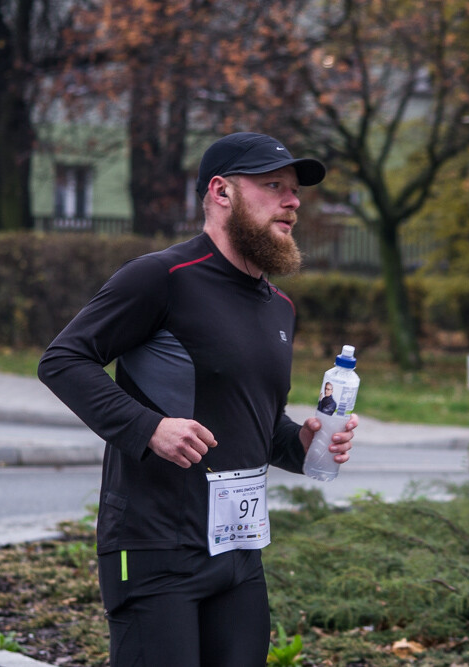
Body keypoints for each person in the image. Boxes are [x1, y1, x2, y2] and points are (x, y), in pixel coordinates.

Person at [38, 131, 358, 667]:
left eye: (296, 191)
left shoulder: (278, 306)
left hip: (238, 552)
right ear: (221, 192)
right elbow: (63, 360)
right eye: (273, 186)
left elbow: (251, 417)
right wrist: (149, 428)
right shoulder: (161, 277)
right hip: (153, 546)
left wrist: (300, 444)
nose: (293, 201)